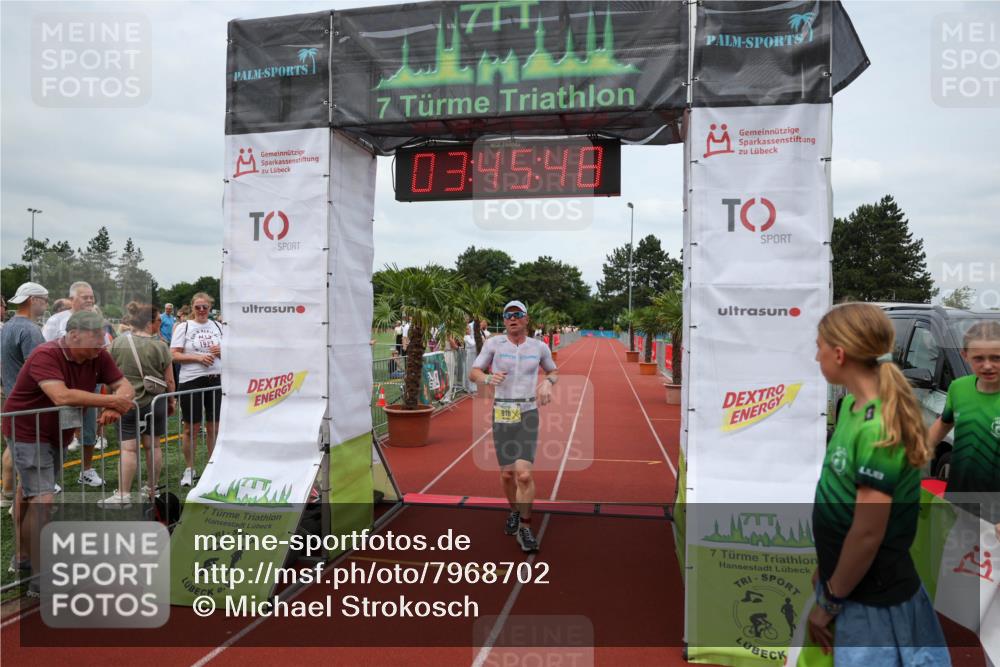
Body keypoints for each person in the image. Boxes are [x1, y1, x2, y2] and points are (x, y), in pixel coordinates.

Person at [809, 303, 950, 664]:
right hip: (859, 586)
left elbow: (868, 531)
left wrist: (830, 601)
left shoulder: (878, 425)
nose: (815, 355)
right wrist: (827, 567)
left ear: (839, 354)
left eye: (819, 346)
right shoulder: (856, 407)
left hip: (872, 597)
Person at [1, 310, 133, 595]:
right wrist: (111, 400)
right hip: (26, 429)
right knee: (44, 497)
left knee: (32, 491)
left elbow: (125, 386)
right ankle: (39, 574)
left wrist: (114, 404)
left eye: (103, 340)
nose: (101, 346)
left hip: (58, 431)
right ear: (72, 335)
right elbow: (61, 395)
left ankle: (23, 556)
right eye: (95, 339)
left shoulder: (98, 354)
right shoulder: (45, 355)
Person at [470, 300, 557, 553]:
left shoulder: (539, 347)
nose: (512, 318)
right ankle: (515, 512)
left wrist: (549, 382)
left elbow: (554, 371)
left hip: (528, 413)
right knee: (508, 474)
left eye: (518, 314)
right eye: (508, 315)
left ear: (526, 319)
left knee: (524, 474)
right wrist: (487, 377)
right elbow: (474, 372)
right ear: (504, 320)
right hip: (503, 412)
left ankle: (525, 528)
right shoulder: (493, 344)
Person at [101, 302, 175, 508]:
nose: (160, 322)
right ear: (149, 323)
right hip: (155, 402)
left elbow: (107, 373)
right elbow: (169, 381)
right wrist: (171, 400)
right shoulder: (160, 345)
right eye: (158, 319)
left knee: (128, 450)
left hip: (126, 402)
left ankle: (123, 494)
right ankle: (151, 488)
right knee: (154, 446)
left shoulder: (116, 343)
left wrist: (108, 400)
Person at [926, 321, 1000, 522]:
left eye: (996, 358)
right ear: (964, 356)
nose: (987, 365)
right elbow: (944, 423)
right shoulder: (958, 388)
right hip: (959, 498)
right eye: (979, 358)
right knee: (957, 551)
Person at [41, 281, 107, 481]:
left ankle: (86, 471)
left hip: (89, 384)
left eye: (91, 296)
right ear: (72, 299)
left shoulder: (97, 320)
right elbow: (45, 349)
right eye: (84, 296)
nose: (89, 300)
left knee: (89, 429)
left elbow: (104, 348)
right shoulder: (56, 320)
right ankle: (50, 477)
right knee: (57, 432)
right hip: (63, 386)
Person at [1, 282, 49, 514]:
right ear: (33, 300)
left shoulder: (8, 326)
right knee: (29, 454)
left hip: (11, 397)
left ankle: (7, 495)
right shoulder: (29, 330)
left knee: (12, 447)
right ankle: (21, 503)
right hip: (28, 402)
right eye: (45, 300)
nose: (46, 305)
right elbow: (40, 370)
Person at [171, 292, 222, 488]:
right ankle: (190, 469)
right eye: (198, 307)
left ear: (210, 308)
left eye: (205, 307)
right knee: (191, 428)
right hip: (191, 381)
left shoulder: (218, 326)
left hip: (216, 380)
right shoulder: (184, 326)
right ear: (192, 308)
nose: (201, 310)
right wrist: (198, 358)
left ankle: (213, 467)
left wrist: (222, 350)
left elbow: (232, 352)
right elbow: (173, 355)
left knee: (214, 427)